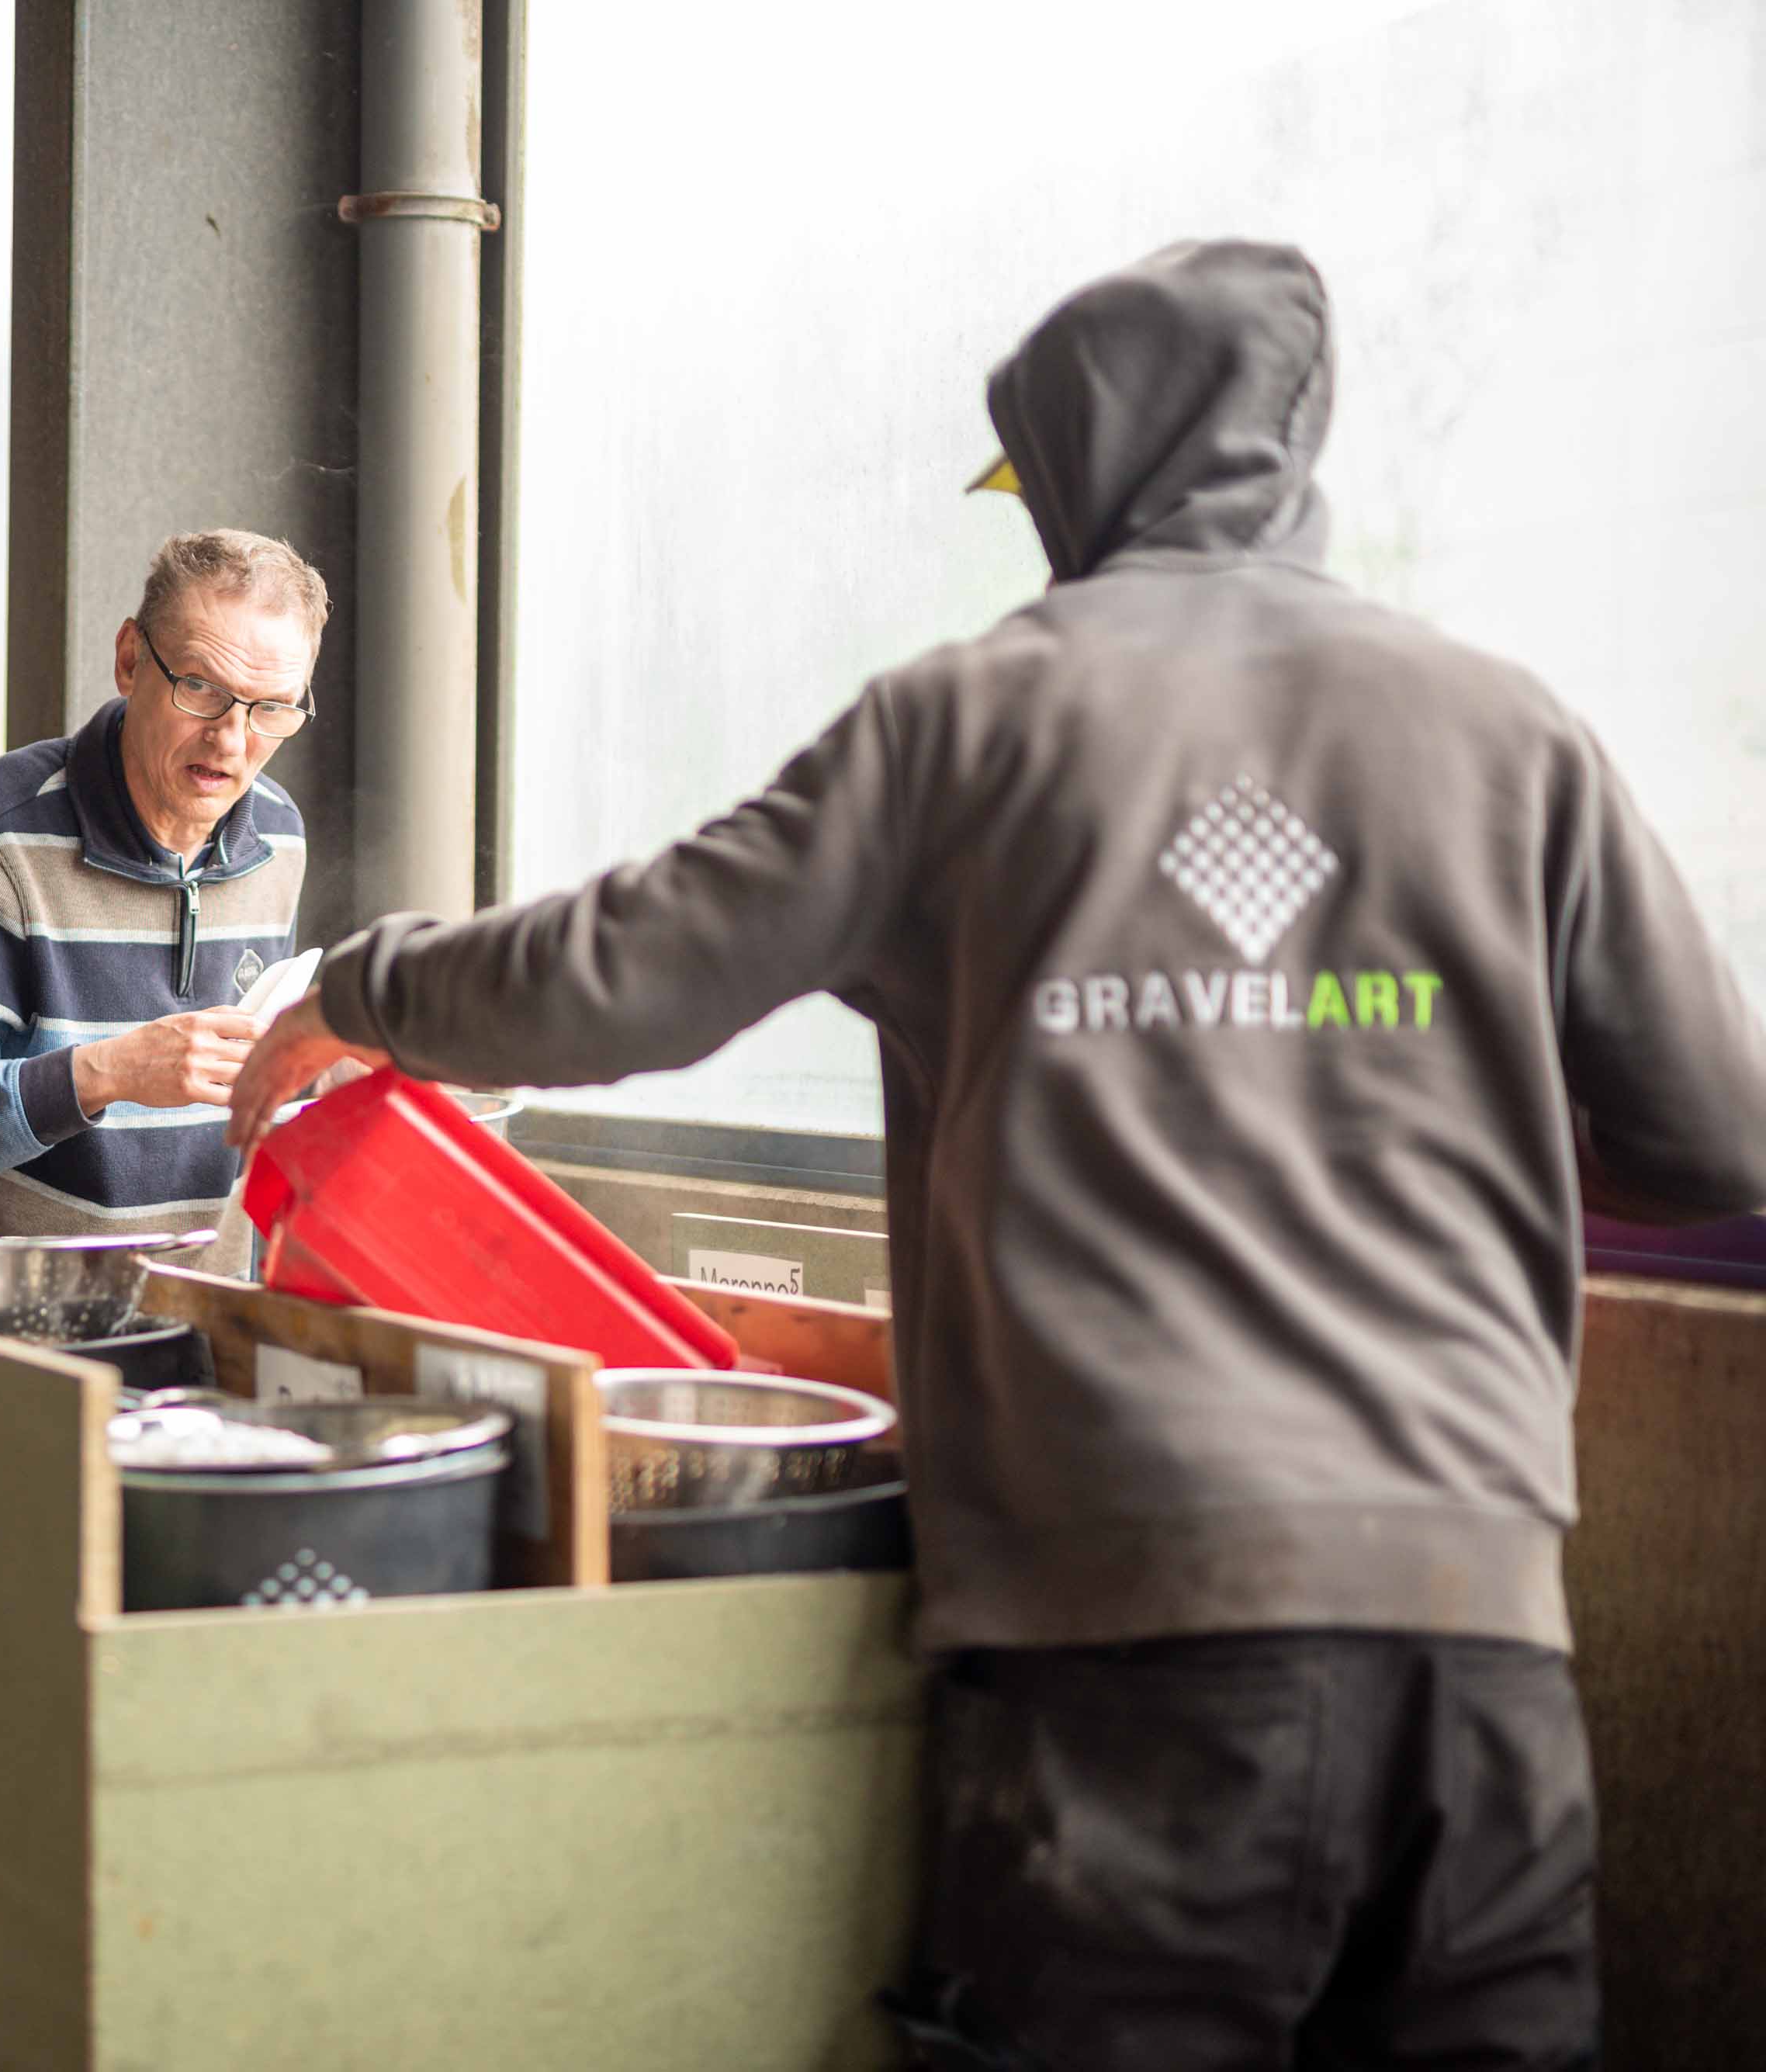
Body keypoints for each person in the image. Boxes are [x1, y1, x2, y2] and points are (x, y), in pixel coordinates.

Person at [230, 241, 1766, 2066]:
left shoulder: (961, 724)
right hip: (1479, 1645)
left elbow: (622, 976)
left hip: (1121, 1648)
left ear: (1073, 470)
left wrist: (360, 989)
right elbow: (1712, 1137)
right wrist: (1408, 1074)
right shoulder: (1508, 733)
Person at [0, 528, 323, 1266]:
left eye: (271, 708)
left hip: (193, 1319)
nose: (232, 741)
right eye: (201, 688)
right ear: (130, 660)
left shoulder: (280, 837)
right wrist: (104, 1074)